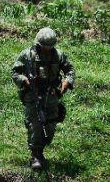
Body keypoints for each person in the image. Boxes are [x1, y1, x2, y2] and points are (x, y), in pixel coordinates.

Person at [11, 27, 76, 171]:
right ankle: (36, 155)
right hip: (33, 96)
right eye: (44, 47)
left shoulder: (59, 55)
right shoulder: (27, 55)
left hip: (52, 96)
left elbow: (70, 70)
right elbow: (15, 71)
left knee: (50, 126)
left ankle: (41, 150)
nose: (46, 50)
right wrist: (23, 80)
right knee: (35, 124)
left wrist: (67, 82)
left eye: (49, 47)